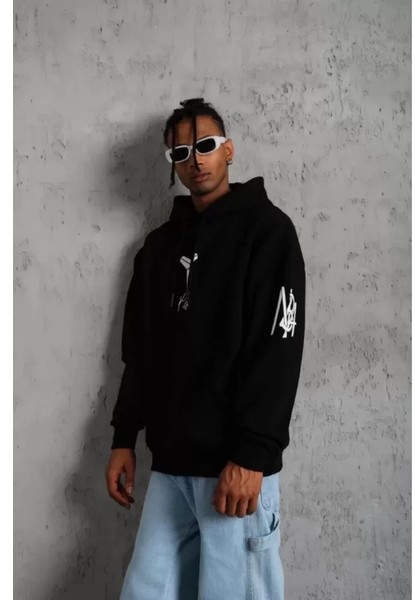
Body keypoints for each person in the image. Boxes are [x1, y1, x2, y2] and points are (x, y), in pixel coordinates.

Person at [105, 97, 305, 600]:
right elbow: (141, 350)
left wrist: (252, 454)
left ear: (228, 150)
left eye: (206, 146)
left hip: (234, 467)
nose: (195, 159)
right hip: (172, 468)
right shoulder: (158, 249)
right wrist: (124, 436)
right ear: (172, 164)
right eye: (181, 153)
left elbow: (278, 350)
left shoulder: (268, 232)